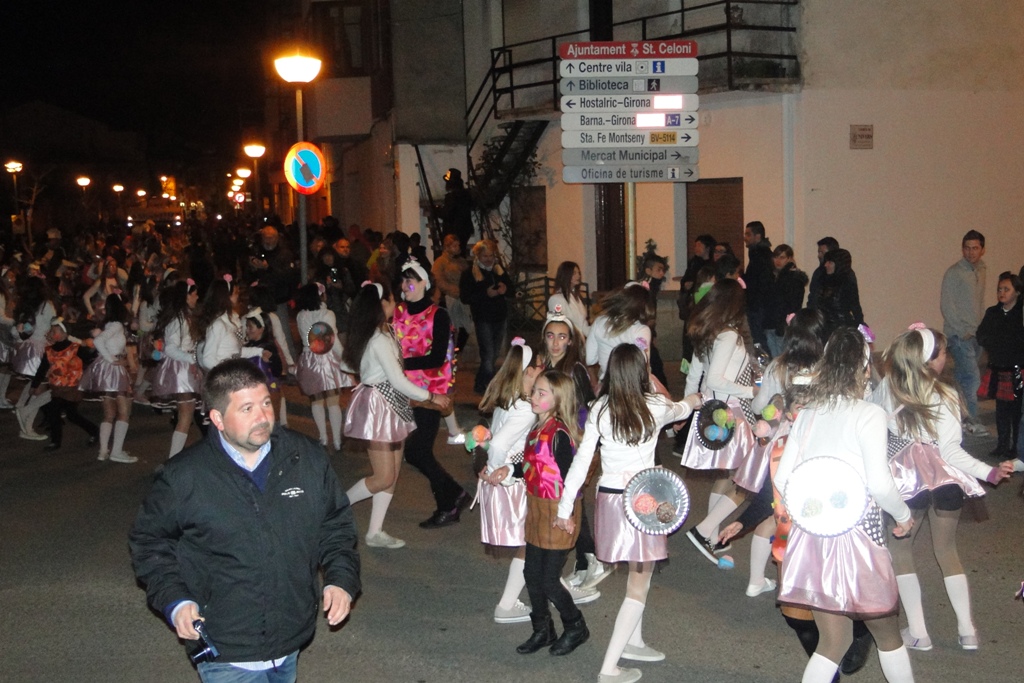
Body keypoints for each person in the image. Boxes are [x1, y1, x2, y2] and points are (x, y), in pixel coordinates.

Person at [129, 358, 361, 683]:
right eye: (247, 409)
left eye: (266, 403)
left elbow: (334, 524)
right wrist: (175, 600)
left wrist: (340, 579)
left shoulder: (306, 458)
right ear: (217, 419)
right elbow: (150, 542)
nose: (263, 417)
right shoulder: (183, 477)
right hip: (224, 646)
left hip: (291, 636)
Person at [773, 326, 916, 683]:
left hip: (814, 536)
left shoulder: (809, 414)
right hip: (858, 539)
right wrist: (903, 515)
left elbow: (783, 477)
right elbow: (879, 483)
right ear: (864, 369)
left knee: (833, 642)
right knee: (888, 635)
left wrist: (814, 508)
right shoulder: (869, 414)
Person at [556, 344, 701, 683]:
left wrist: (565, 507)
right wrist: (697, 398)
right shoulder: (655, 405)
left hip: (609, 500)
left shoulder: (600, 408)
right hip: (642, 501)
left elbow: (581, 462)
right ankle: (609, 668)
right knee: (639, 580)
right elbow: (681, 407)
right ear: (641, 372)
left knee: (639, 575)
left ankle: (634, 642)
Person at [873, 325, 1014, 655]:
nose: (946, 358)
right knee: (948, 551)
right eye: (942, 352)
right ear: (929, 360)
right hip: (945, 479)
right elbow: (951, 451)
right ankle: (967, 631)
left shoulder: (889, 388)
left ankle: (919, 632)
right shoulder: (947, 394)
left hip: (907, 479)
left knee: (901, 552)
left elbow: (870, 423)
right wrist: (988, 472)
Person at [342, 281, 451, 548]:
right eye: (392, 300)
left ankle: (375, 532)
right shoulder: (378, 338)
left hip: (391, 404)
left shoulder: (384, 331)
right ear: (381, 305)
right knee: (383, 476)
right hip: (379, 406)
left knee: (391, 474)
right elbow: (398, 379)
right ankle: (336, 506)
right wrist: (431, 396)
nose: (397, 303)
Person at [734, 308, 826, 597]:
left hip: (782, 445)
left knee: (776, 511)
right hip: (817, 446)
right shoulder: (827, 368)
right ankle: (804, 581)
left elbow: (759, 406)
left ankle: (756, 580)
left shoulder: (778, 366)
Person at [679, 279, 758, 563]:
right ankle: (705, 530)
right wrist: (751, 391)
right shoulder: (728, 336)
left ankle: (710, 536)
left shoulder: (708, 334)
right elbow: (714, 379)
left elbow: (695, 376)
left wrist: (687, 408)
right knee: (749, 478)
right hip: (729, 412)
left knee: (727, 476)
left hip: (712, 413)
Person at [514, 370, 590, 657]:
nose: (533, 396)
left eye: (541, 393)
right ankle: (543, 629)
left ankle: (575, 626)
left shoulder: (558, 434)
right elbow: (530, 466)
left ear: (558, 400)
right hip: (537, 509)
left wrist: (566, 514)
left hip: (559, 511)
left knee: (548, 580)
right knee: (531, 573)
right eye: (534, 390)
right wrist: (507, 470)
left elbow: (572, 478)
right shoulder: (537, 428)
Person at [394, 259, 470, 529]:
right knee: (416, 452)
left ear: (425, 283)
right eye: (403, 280)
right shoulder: (398, 312)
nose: (405, 285)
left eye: (411, 280)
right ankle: (453, 497)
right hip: (403, 391)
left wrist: (400, 364)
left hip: (429, 393)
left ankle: (450, 501)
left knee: (417, 451)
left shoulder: (438, 315)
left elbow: (437, 358)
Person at [539, 309, 605, 595]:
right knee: (566, 496)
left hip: (569, 440)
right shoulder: (542, 365)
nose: (556, 343)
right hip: (550, 440)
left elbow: (589, 406)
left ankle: (588, 557)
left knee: (571, 496)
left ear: (570, 341)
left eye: (562, 337)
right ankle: (584, 559)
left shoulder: (574, 369)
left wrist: (586, 443)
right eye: (551, 336)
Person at [476, 339, 541, 624]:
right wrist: (494, 470)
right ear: (528, 371)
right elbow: (500, 444)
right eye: (538, 366)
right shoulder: (525, 408)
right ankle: (506, 604)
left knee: (531, 541)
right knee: (530, 541)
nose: (541, 370)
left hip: (508, 478)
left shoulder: (509, 400)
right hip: (513, 483)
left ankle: (550, 587)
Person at [940, 230, 988, 435]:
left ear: (982, 249)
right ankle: (971, 421)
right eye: (967, 248)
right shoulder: (954, 273)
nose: (970, 252)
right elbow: (947, 305)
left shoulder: (982, 270)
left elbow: (979, 302)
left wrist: (982, 328)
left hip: (976, 334)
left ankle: (958, 420)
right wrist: (962, 332)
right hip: (960, 336)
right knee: (972, 378)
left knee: (962, 380)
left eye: (975, 248)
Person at [295, 282, 353, 451]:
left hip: (308, 359)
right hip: (327, 359)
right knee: (333, 402)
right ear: (320, 296)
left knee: (316, 401)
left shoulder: (300, 316)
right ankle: (337, 441)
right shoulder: (328, 314)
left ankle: (323, 438)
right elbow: (332, 341)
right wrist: (345, 360)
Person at [79, 293, 136, 463]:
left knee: (109, 413)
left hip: (105, 369)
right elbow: (99, 341)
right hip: (113, 369)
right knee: (124, 412)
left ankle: (103, 451)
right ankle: (116, 451)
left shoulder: (108, 324)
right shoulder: (116, 325)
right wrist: (112, 359)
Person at [151, 280, 204, 458]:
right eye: (194, 294)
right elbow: (170, 348)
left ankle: (176, 458)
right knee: (185, 417)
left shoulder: (185, 317)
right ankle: (174, 459)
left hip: (185, 367)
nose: (197, 297)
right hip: (182, 370)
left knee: (187, 416)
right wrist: (193, 358)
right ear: (186, 297)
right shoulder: (178, 320)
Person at [976, 272, 1024, 459]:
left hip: (1017, 369)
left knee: (1017, 410)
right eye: (999, 289)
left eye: (1006, 289)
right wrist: (995, 343)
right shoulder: (993, 312)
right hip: (998, 367)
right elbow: (981, 335)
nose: (1001, 293)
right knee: (1001, 409)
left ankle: (1016, 447)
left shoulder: (1020, 315)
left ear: (1017, 292)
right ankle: (1002, 444)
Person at [34, 317, 99, 452]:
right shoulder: (49, 350)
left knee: (66, 414)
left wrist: (94, 348)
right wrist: (34, 385)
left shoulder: (75, 348)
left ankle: (93, 432)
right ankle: (56, 441)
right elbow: (42, 368)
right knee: (61, 413)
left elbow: (89, 358)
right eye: (51, 331)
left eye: (55, 331)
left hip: (72, 388)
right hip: (57, 388)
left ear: (64, 333)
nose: (52, 333)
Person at [460, 239, 512, 394]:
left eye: (491, 256)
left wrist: (505, 289)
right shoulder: (469, 273)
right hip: (483, 318)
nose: (489, 259)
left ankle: (480, 383)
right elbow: (465, 297)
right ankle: (489, 388)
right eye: (485, 256)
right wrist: (486, 294)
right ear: (478, 256)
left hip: (500, 317)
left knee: (494, 354)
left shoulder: (499, 270)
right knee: (488, 354)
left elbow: (512, 290)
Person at [247, 226, 298, 362]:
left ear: (277, 238)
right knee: (258, 332)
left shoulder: (284, 254)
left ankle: (290, 363)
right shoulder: (256, 251)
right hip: (259, 299)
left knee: (283, 333)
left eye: (272, 237)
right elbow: (248, 275)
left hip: (277, 299)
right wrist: (253, 267)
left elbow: (288, 276)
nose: (268, 240)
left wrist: (268, 268)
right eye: (266, 237)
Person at [585, 284, 652, 382]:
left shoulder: (599, 322)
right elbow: (643, 363)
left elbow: (589, 359)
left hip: (606, 384)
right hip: (631, 385)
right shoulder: (641, 330)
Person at [764, 244, 808, 358]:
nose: (778, 261)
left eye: (782, 257)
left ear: (789, 258)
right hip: (771, 324)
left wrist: (784, 324)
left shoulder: (792, 278)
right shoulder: (774, 275)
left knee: (782, 358)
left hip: (782, 326)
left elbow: (793, 305)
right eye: (776, 257)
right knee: (776, 359)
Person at [815, 248, 864, 340]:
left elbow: (855, 307)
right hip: (824, 328)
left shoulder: (847, 282)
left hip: (841, 329)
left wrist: (862, 329)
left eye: (830, 262)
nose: (826, 265)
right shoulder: (823, 280)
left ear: (838, 264)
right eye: (826, 262)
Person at [743, 221, 775, 348]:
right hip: (758, 306)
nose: (745, 238)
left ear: (757, 236)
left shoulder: (760, 256)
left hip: (758, 307)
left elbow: (759, 282)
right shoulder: (757, 254)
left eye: (748, 234)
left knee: (759, 340)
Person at [548, 261, 591, 338]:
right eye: (574, 273)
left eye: (579, 273)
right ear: (566, 275)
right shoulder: (556, 299)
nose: (578, 276)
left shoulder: (576, 297)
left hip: (580, 339)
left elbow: (583, 324)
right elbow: (558, 325)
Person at [440, 168, 475, 253]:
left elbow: (447, 214)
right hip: (465, 229)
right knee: (461, 251)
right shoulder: (466, 194)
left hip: (454, 230)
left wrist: (437, 210)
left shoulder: (452, 197)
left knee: (453, 253)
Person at [806, 236, 839, 310]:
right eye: (819, 252)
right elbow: (812, 296)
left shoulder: (843, 273)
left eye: (822, 252)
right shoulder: (818, 272)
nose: (819, 255)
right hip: (817, 314)